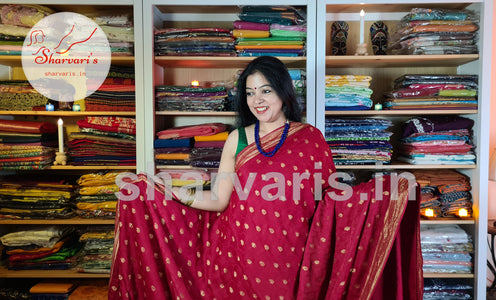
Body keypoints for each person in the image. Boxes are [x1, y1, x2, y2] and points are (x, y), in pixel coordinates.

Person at [109, 56, 422, 300]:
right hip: (238, 254)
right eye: (249, 93)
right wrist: (172, 192)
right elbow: (219, 200)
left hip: (295, 257)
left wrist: (385, 194)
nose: (257, 100)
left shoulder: (311, 138)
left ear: (283, 93)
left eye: (266, 90)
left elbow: (331, 201)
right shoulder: (238, 139)